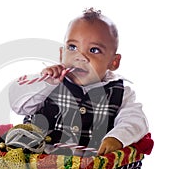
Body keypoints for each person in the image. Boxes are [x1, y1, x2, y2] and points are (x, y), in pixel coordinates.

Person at [9, 8, 149, 155]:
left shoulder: (120, 93)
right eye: (72, 47)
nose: (80, 57)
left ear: (113, 62)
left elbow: (136, 120)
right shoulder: (50, 82)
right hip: (39, 164)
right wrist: (46, 83)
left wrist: (117, 138)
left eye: (94, 50)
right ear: (62, 53)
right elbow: (18, 105)